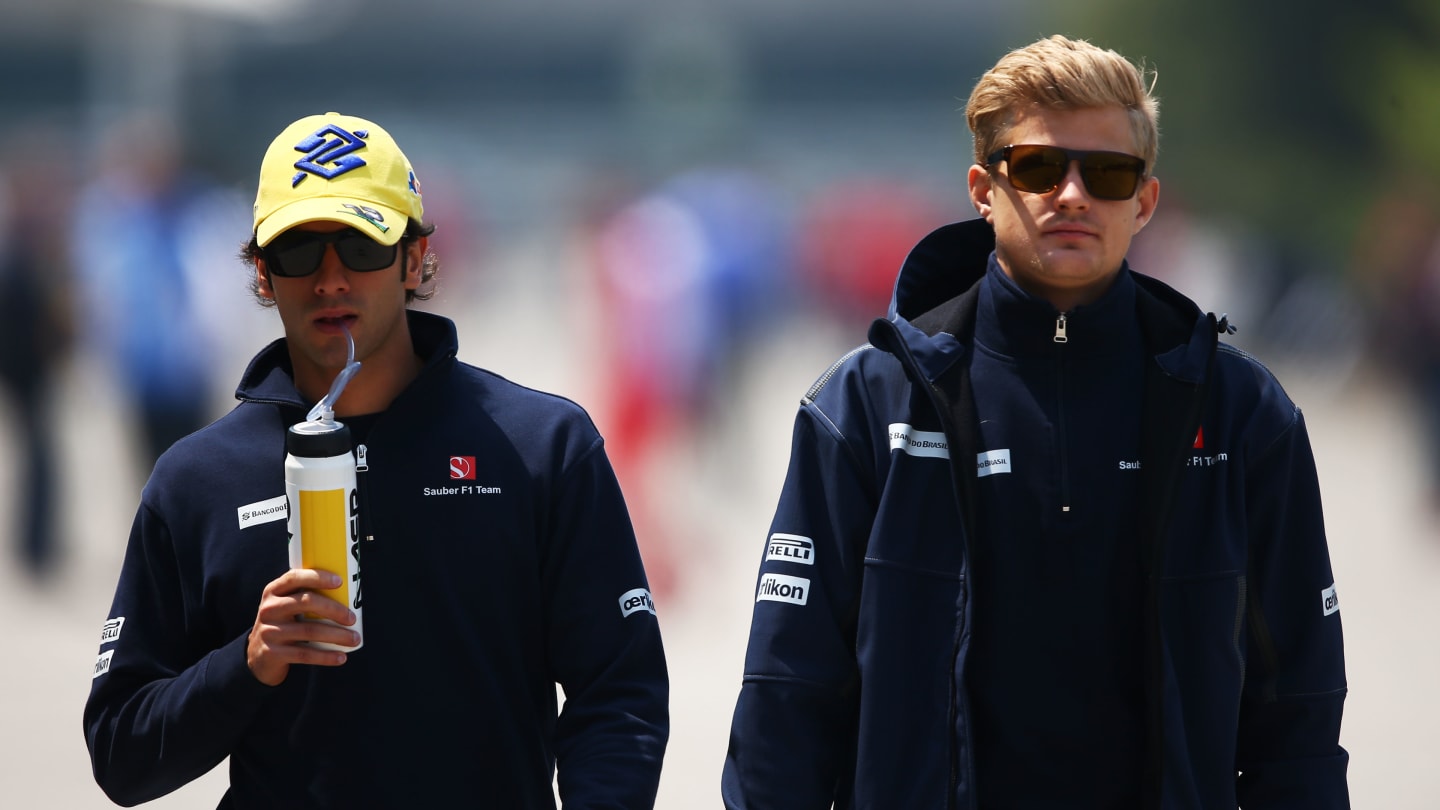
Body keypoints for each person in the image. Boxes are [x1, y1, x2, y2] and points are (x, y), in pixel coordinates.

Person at [722, 35, 1348, 809]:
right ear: (985, 188)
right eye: (1042, 168)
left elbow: (1301, 712)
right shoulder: (864, 404)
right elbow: (786, 697)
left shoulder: (1242, 412)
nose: (1074, 195)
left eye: (1109, 174)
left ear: (1144, 202)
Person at [84, 112, 669, 808]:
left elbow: (620, 694)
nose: (331, 280)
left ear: (414, 259)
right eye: (300, 252)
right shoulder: (196, 479)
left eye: (361, 247)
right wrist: (247, 663)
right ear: (264, 274)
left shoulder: (541, 446)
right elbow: (121, 754)